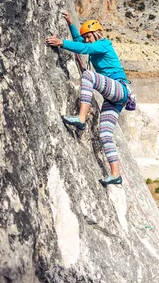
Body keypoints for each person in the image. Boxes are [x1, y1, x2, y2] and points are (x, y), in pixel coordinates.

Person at [45, 12, 130, 187]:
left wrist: (61, 42)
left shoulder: (104, 44)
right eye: (86, 37)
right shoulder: (93, 44)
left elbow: (85, 49)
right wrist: (70, 24)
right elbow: (80, 42)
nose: (88, 39)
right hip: (113, 98)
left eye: (90, 35)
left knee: (89, 76)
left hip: (120, 89)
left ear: (97, 33)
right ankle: (115, 174)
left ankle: (81, 118)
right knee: (105, 133)